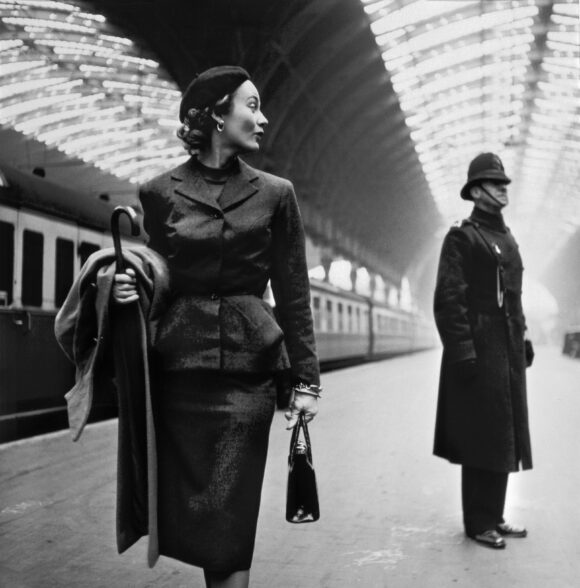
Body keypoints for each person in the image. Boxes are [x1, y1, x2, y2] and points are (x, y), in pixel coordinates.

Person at [113, 66, 321, 587]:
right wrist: (128, 293)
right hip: (178, 376)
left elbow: (294, 293)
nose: (263, 117)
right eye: (251, 106)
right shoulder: (158, 192)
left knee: (229, 525)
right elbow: (158, 280)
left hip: (247, 380)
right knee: (198, 520)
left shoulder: (277, 194)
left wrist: (306, 381)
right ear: (214, 115)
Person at [433, 152, 535, 550]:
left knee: (503, 435)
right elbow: (448, 300)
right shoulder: (462, 237)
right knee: (481, 437)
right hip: (477, 351)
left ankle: (494, 516)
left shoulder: (507, 239)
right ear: (475, 191)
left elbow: (514, 297)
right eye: (494, 183)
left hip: (506, 351)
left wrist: (522, 338)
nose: (502, 187)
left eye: (504, 182)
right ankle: (477, 522)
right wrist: (463, 352)